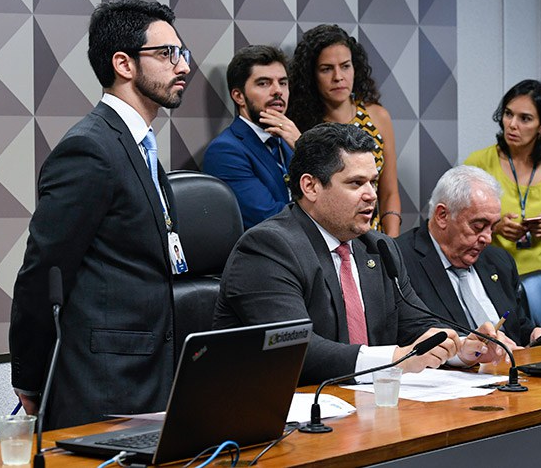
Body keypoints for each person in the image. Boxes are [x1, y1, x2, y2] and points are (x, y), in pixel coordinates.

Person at [9, 0, 191, 429]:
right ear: (124, 64)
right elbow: (43, 272)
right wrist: (32, 379)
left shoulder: (139, 145)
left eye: (182, 53)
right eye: (167, 54)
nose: (182, 66)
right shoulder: (90, 149)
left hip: (156, 375)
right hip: (105, 386)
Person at [213, 123, 507, 385]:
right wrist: (396, 360)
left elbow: (415, 325)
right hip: (288, 421)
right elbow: (294, 349)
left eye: (373, 182)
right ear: (310, 186)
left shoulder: (377, 247)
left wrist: (461, 348)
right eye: (356, 183)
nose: (371, 195)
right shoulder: (268, 248)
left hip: (366, 412)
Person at [397, 165, 541, 347]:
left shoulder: (499, 261)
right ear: (442, 216)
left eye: (492, 227)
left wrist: (533, 334)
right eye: (478, 226)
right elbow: (409, 335)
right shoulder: (400, 262)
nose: (488, 238)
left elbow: (517, 324)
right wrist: (470, 348)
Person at [287, 24, 402, 236]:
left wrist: (391, 243)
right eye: (326, 69)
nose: (338, 77)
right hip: (322, 240)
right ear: (312, 75)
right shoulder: (300, 125)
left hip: (373, 238)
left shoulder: (378, 116)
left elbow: (389, 192)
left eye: (345, 66)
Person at [464, 80, 541, 294]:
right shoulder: (478, 162)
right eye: (508, 114)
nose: (512, 124)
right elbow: (458, 224)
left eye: (525, 118)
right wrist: (495, 227)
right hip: (491, 281)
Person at [203, 45, 299, 228]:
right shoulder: (225, 151)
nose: (277, 91)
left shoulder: (291, 141)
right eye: (264, 83)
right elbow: (271, 219)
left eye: (283, 82)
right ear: (239, 96)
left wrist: (302, 146)